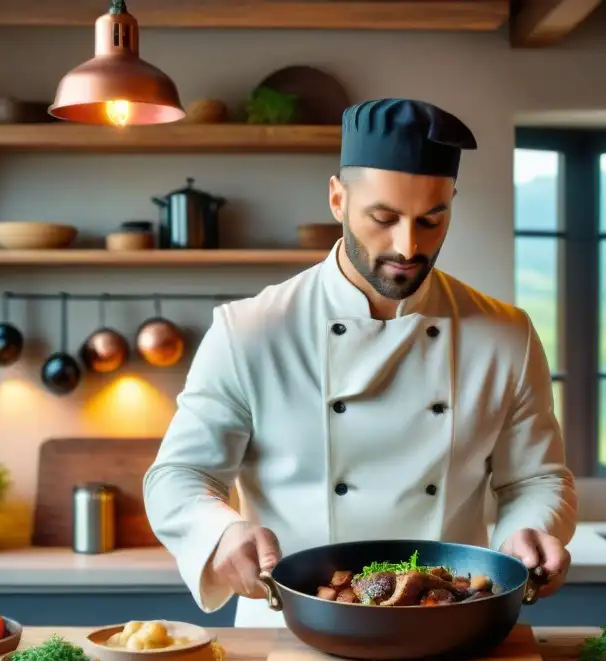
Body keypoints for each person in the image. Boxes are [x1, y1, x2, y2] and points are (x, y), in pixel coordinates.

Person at [143, 98, 578, 627]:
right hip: (289, 629)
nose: (408, 245)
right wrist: (219, 533)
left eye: (432, 220)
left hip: (451, 624)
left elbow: (537, 480)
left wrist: (531, 527)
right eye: (384, 217)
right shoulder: (249, 330)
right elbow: (179, 476)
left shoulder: (506, 335)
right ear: (337, 199)